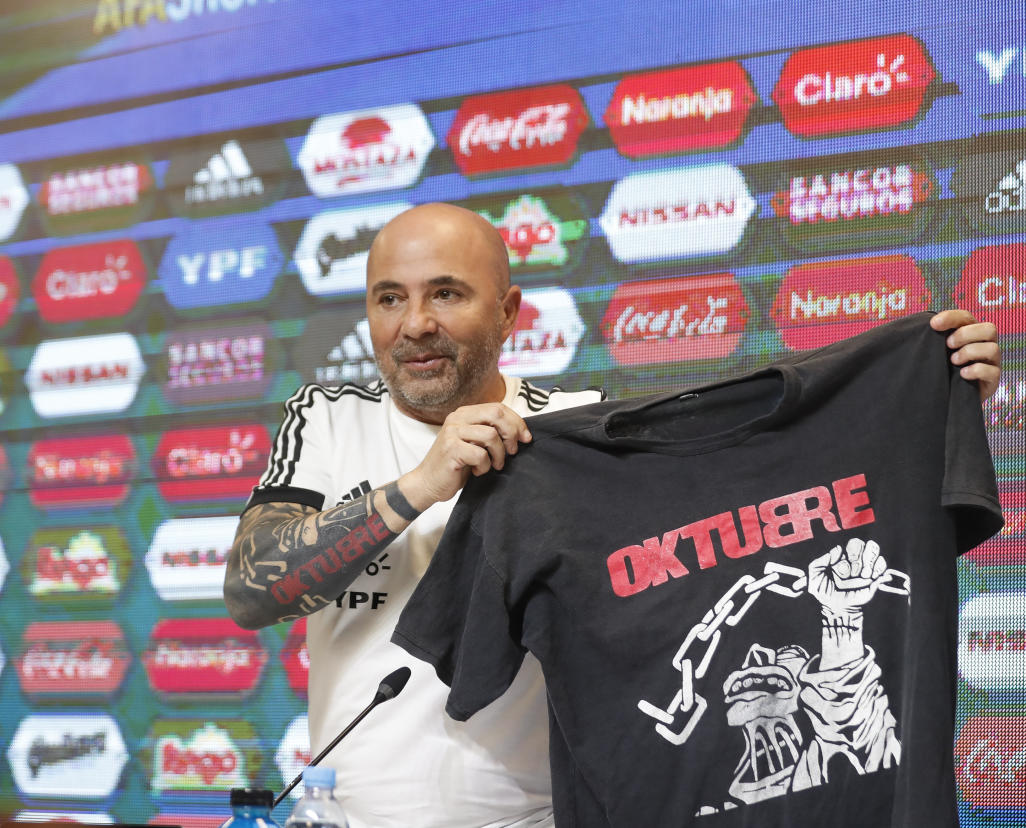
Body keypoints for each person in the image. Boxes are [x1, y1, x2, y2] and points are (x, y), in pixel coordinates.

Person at [223, 202, 1003, 828]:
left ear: (508, 312)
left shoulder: (574, 433)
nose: (414, 323)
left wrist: (928, 408)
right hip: (348, 815)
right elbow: (253, 590)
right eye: (388, 298)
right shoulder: (325, 417)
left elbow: (750, 524)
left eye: (445, 293)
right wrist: (421, 484)